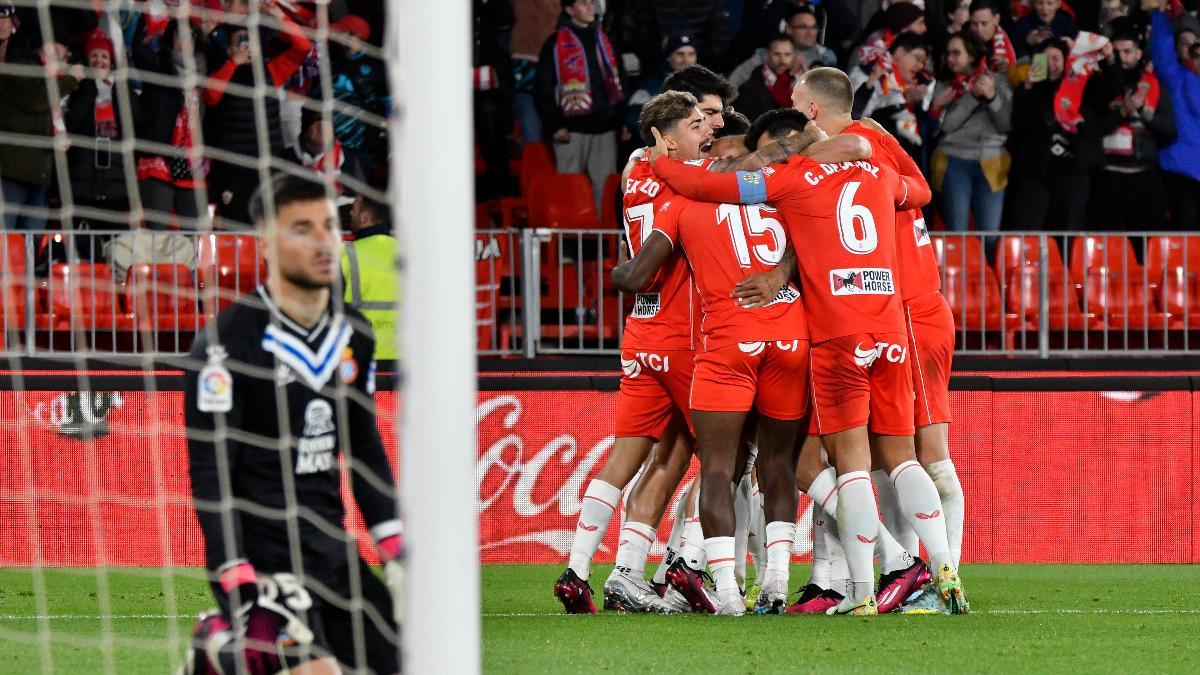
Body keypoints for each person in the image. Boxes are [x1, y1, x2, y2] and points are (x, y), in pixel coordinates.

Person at [647, 67, 968, 616]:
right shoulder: (879, 173)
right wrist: (868, 144)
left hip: (837, 336)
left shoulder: (791, 180)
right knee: (903, 458)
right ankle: (942, 574)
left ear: (810, 116)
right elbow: (918, 188)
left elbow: (709, 185)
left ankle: (866, 591)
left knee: (847, 464)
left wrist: (659, 160)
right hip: (889, 325)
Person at [183, 174, 400, 674]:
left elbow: (364, 451)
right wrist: (235, 574)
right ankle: (225, 644)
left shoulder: (354, 335)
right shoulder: (225, 345)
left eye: (328, 225)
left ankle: (216, 660)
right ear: (265, 242)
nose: (324, 240)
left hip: (332, 549)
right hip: (260, 558)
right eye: (302, 229)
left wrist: (396, 550)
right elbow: (212, 475)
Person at [613, 118, 816, 617]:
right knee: (777, 465)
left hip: (728, 342)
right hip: (790, 338)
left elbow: (639, 275)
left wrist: (618, 264)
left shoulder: (679, 204)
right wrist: (781, 273)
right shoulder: (773, 195)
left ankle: (727, 594)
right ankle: (777, 582)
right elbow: (808, 245)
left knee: (719, 470)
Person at [554, 91, 712, 616]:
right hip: (685, 335)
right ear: (667, 139)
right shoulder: (686, 182)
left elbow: (640, 165)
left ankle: (581, 571)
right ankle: (686, 566)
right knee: (725, 458)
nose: (704, 132)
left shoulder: (635, 176)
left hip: (641, 336)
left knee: (634, 455)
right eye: (695, 125)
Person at [203, 0, 311, 228]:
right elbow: (211, 96)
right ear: (229, 48)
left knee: (270, 225)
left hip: (268, 165)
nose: (246, 46)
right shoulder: (222, 70)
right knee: (235, 227)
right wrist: (233, 62)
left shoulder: (272, 71)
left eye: (249, 41)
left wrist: (277, 14)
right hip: (234, 169)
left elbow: (303, 47)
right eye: (240, 42)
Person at [535, 0, 626, 213]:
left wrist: (620, 121)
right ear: (568, 9)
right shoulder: (554, 44)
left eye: (591, 3)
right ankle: (568, 244)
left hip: (605, 129)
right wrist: (554, 125)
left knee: (605, 192)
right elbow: (543, 90)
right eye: (583, 3)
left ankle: (604, 244)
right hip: (570, 131)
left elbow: (620, 83)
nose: (590, 7)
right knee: (569, 189)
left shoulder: (606, 41)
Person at [1006, 39, 1105, 230]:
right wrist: (1027, 88)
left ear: (1065, 61)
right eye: (1046, 59)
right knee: (1027, 228)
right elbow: (1019, 124)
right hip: (1037, 172)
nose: (1051, 64)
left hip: (1072, 173)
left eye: (1056, 58)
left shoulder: (1080, 87)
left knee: (1067, 230)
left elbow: (1104, 97)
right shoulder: (1029, 90)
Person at [62, 31, 140, 258]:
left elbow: (136, 119)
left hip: (116, 189)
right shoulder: (78, 88)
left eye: (104, 56)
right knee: (85, 251)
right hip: (83, 187)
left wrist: (115, 88)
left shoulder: (121, 88)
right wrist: (91, 87)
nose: (99, 61)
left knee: (114, 252)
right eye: (94, 55)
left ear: (112, 61)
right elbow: (73, 122)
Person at [0, 20, 82, 229]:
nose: (68, 55)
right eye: (65, 48)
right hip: (13, 171)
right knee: (5, 234)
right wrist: (71, 80)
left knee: (31, 239)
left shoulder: (53, 78)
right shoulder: (20, 66)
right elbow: (37, 99)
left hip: (40, 174)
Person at [929, 30, 1013, 234]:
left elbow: (1006, 125)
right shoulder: (944, 84)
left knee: (989, 236)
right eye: (948, 53)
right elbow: (947, 125)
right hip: (954, 161)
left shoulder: (998, 81)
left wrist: (992, 97)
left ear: (972, 55)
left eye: (956, 53)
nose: (950, 58)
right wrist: (973, 96)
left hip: (992, 162)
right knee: (958, 233)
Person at [1092, 27, 1175, 231]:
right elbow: (1091, 129)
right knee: (1107, 245)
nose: (1122, 57)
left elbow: (1169, 129)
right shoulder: (1100, 84)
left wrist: (1144, 114)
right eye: (1117, 52)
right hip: (1109, 174)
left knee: (1148, 246)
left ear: (1139, 53)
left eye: (1127, 51)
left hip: (1144, 172)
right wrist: (1121, 113)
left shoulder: (1153, 85)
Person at [1145, 1, 1200, 228]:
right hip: (1181, 170)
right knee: (1186, 241)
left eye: (1196, 48)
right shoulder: (1175, 78)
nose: (1193, 54)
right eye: (1184, 45)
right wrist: (1160, 15)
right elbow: (1161, 50)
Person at [852, 32, 933, 158]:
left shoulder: (910, 85)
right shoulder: (869, 70)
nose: (920, 66)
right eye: (917, 59)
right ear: (900, 53)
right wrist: (902, 100)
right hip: (862, 152)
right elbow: (855, 117)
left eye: (923, 62)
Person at [341, 193, 398, 361]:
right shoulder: (409, 254)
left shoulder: (343, 255)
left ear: (365, 218)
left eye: (354, 209)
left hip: (361, 360)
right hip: (404, 361)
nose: (351, 214)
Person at [728, 7, 836, 87]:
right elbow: (733, 83)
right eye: (803, 27)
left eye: (814, 27)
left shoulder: (826, 57)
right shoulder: (766, 54)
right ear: (788, 29)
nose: (810, 33)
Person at [624, 34, 699, 140]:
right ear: (669, 57)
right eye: (680, 54)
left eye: (691, 54)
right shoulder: (650, 84)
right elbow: (634, 117)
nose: (686, 59)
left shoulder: (706, 83)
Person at [735, 34, 802, 124]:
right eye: (776, 54)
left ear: (794, 56)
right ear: (767, 56)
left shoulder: (804, 82)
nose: (782, 60)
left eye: (787, 55)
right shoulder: (748, 89)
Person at [1009, 0, 1079, 58]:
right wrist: (1027, 42)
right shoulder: (1021, 25)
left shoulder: (1068, 23)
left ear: (1058, 4)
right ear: (1034, 4)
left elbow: (1083, 53)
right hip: (1032, 70)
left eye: (1050, 3)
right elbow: (1010, 55)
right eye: (1040, 3)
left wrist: (1073, 47)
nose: (1045, 8)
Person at [968, 0, 1018, 77]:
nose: (979, 29)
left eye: (984, 23)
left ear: (996, 19)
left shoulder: (1015, 38)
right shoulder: (963, 34)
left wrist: (1009, 71)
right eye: (974, 24)